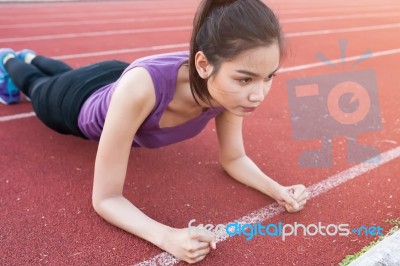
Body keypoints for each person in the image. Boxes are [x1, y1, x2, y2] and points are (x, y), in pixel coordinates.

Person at [0, 0, 309, 263]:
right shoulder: (143, 90)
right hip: (75, 104)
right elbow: (105, 198)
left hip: (116, 78)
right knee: (38, 87)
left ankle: (31, 56)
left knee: (64, 74)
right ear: (203, 65)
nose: (259, 94)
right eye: (245, 80)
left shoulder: (227, 92)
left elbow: (234, 158)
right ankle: (11, 58)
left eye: (269, 77)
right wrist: (168, 237)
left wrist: (277, 191)